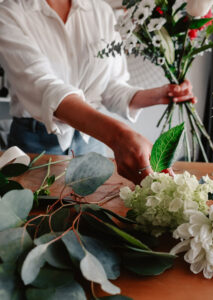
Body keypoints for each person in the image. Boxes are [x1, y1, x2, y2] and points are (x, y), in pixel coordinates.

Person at [0, 0, 196, 184]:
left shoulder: (102, 12)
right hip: (35, 144)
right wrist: (119, 137)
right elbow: (45, 88)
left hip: (92, 144)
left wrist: (159, 94)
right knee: (34, 217)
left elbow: (111, 87)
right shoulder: (9, 13)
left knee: (91, 215)